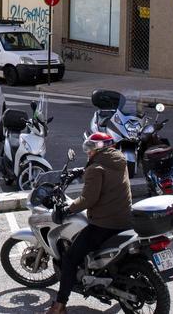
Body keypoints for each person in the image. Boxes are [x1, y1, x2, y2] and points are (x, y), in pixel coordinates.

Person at [45, 132, 132, 314]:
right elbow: (107, 180)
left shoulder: (96, 168)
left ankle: (60, 305)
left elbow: (87, 200)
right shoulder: (119, 160)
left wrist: (68, 209)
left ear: (97, 149)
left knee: (69, 259)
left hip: (104, 224)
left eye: (89, 149)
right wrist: (82, 171)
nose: (87, 153)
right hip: (125, 219)